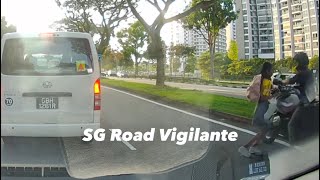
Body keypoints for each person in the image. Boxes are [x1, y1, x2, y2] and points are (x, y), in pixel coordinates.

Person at [238, 62, 274, 157]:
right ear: (267, 70)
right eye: (271, 70)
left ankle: (253, 147)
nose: (272, 72)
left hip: (264, 107)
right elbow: (261, 96)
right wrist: (271, 96)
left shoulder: (268, 79)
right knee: (264, 130)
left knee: (264, 131)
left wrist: (274, 91)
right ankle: (245, 147)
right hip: (260, 109)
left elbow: (268, 92)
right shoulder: (260, 79)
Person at [282, 52, 316, 144]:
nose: (295, 64)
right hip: (312, 101)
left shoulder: (302, 74)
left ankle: (293, 147)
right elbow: (298, 85)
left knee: (291, 125)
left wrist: (279, 82)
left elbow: (289, 81)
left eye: (296, 62)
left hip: (305, 103)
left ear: (300, 63)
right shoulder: (308, 72)